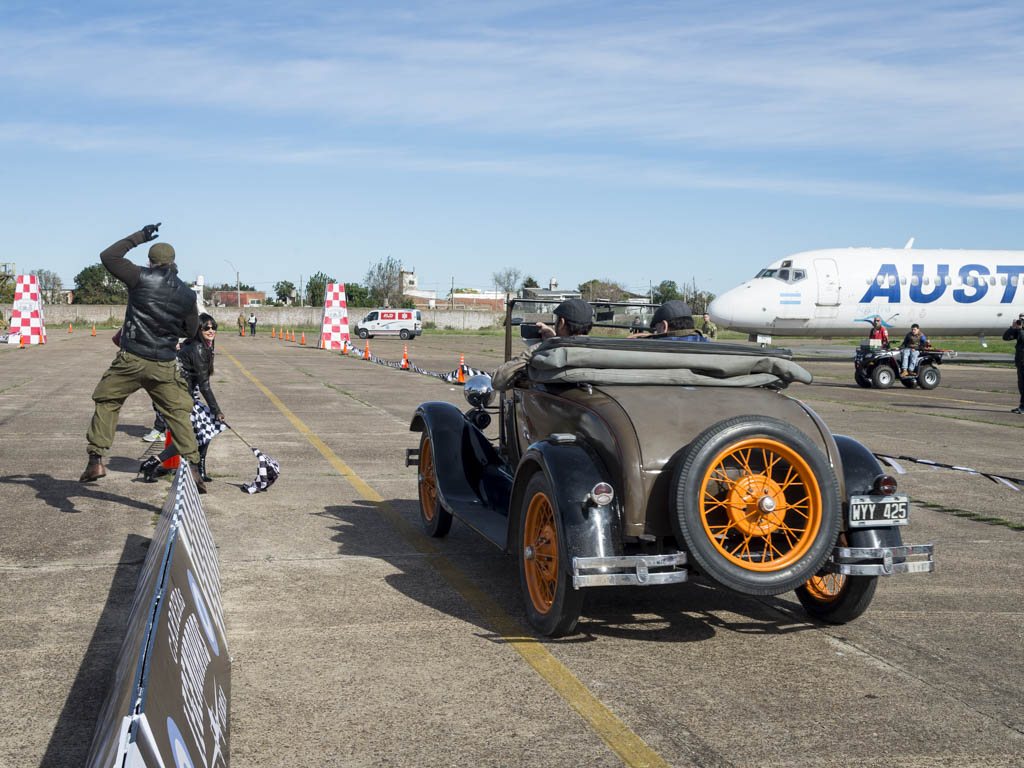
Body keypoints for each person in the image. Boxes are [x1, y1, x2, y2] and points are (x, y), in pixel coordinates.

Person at [80, 224, 205, 491]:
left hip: (131, 359)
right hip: (164, 364)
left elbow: (108, 256)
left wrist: (140, 236)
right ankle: (194, 468)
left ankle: (96, 459)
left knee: (107, 401)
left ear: (151, 261)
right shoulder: (187, 294)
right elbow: (191, 330)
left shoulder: (139, 277)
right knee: (178, 414)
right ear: (174, 264)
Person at [141, 313, 227, 482]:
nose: (211, 330)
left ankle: (198, 470)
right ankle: (153, 463)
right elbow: (205, 385)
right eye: (206, 328)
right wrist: (217, 410)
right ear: (198, 330)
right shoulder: (198, 348)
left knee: (202, 432)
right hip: (174, 398)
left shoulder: (203, 346)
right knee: (190, 436)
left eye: (213, 327)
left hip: (183, 395)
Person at [492, 298, 593, 390]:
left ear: (561, 323)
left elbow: (497, 381)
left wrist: (544, 345)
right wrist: (555, 340)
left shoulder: (542, 350)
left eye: (556, 320)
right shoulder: (598, 351)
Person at [1003, 314, 1024, 414]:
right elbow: (1006, 337)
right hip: (1020, 361)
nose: (1021, 322)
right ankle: (1022, 406)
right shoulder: (1019, 330)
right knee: (1021, 385)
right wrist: (1013, 328)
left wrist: (1020, 329)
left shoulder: (1021, 331)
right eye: (1021, 320)